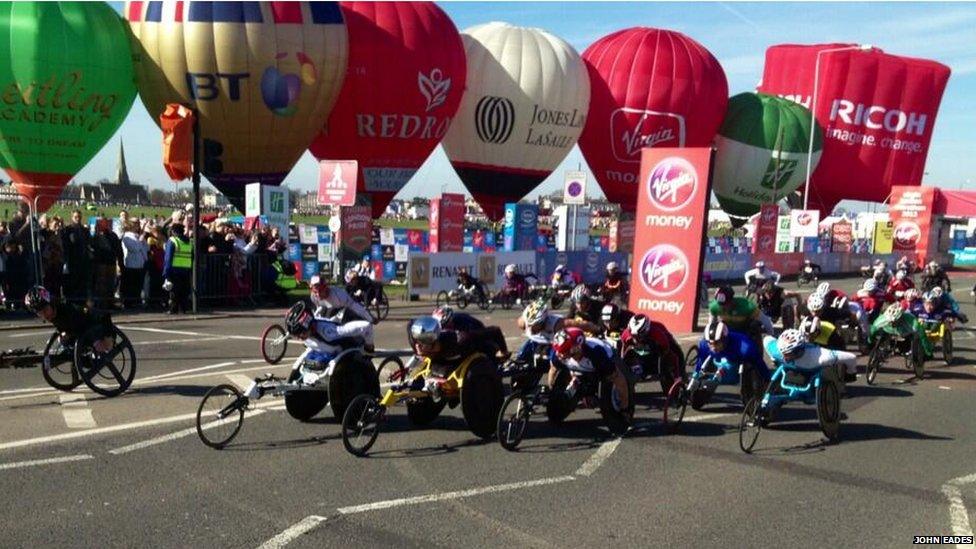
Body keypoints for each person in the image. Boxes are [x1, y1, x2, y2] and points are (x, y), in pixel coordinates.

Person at [550, 327, 631, 418]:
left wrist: (625, 408)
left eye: (564, 350)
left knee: (614, 379)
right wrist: (552, 390)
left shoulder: (596, 355)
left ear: (576, 348)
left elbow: (620, 381)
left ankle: (625, 407)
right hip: (580, 369)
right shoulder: (557, 354)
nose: (559, 354)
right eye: (558, 350)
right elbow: (553, 370)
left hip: (603, 364)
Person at [24, 285, 115, 354]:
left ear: (51, 303)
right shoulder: (54, 315)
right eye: (40, 313)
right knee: (64, 341)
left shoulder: (70, 309)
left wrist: (108, 338)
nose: (44, 315)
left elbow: (104, 315)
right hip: (82, 336)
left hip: (100, 330)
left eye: (45, 310)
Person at [695, 321, 771, 395]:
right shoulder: (704, 345)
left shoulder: (745, 348)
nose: (713, 347)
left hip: (737, 364)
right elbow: (700, 362)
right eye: (710, 343)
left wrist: (767, 379)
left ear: (724, 340)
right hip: (718, 364)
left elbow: (759, 363)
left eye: (716, 343)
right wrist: (696, 376)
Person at [285, 302, 374, 365]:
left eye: (300, 334)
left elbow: (366, 326)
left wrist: (369, 346)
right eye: (295, 335)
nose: (298, 338)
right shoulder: (308, 329)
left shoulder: (329, 333)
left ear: (309, 326)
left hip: (347, 357)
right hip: (323, 353)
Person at [764, 329, 859, 385]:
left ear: (799, 350)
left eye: (789, 354)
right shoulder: (775, 350)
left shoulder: (820, 356)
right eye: (783, 353)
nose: (785, 357)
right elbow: (766, 339)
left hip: (810, 370)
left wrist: (850, 374)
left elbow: (851, 357)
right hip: (797, 368)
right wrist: (851, 373)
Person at [621, 313, 684, 382]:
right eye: (633, 336)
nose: (636, 339)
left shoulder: (658, 333)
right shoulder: (625, 335)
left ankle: (679, 376)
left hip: (662, 341)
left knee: (674, 353)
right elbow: (624, 348)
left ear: (646, 330)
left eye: (639, 336)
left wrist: (663, 365)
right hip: (641, 350)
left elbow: (666, 349)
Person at [432, 305, 509, 360]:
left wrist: (503, 352)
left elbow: (495, 331)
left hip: (480, 340)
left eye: (445, 326)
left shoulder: (465, 328)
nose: (443, 329)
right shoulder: (439, 328)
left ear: (450, 320)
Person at [707, 286, 773, 336]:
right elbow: (711, 324)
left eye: (726, 304)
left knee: (755, 325)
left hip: (745, 329)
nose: (723, 307)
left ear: (732, 300)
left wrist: (771, 335)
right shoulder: (714, 307)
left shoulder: (747, 306)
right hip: (727, 329)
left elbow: (765, 320)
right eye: (720, 304)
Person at [308, 275, 373, 325]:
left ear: (326, 288)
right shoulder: (313, 296)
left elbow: (355, 307)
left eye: (321, 291)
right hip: (331, 313)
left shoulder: (339, 295)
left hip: (347, 312)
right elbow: (318, 309)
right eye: (315, 292)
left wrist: (370, 319)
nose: (318, 295)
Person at [91, 218, 124, 309]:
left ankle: (108, 303)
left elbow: (118, 250)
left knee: (108, 284)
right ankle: (102, 303)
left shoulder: (110, 236)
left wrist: (120, 263)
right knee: (102, 285)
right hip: (102, 263)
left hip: (108, 263)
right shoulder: (97, 236)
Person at [60, 210, 91, 305]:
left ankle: (82, 302)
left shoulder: (85, 230)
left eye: (79, 217)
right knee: (72, 283)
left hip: (83, 261)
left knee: (82, 284)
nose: (78, 219)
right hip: (72, 260)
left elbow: (88, 244)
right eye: (76, 217)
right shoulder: (68, 230)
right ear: (72, 217)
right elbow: (66, 245)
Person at [163, 223, 193, 314]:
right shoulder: (189, 241)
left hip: (174, 270)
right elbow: (192, 256)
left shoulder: (173, 241)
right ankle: (183, 308)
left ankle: (173, 309)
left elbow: (168, 258)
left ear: (173, 231)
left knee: (174, 291)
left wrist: (166, 272)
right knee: (184, 290)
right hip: (186, 269)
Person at [120, 221, 148, 308]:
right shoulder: (127, 237)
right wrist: (140, 241)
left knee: (138, 285)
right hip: (131, 265)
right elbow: (134, 248)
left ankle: (136, 301)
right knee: (131, 285)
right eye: (136, 224)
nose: (138, 226)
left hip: (140, 264)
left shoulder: (137, 236)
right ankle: (129, 303)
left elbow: (146, 248)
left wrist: (143, 241)